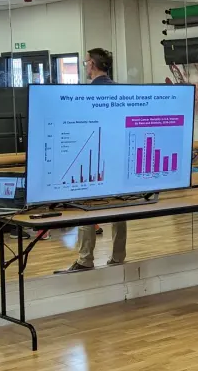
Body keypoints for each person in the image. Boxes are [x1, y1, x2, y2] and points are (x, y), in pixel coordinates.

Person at [55, 48, 126, 273]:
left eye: (86, 62)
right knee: (120, 209)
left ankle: (85, 259)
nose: (85, 66)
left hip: (94, 158)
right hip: (117, 156)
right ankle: (118, 257)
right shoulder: (120, 90)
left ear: (92, 64)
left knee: (87, 208)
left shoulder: (87, 92)